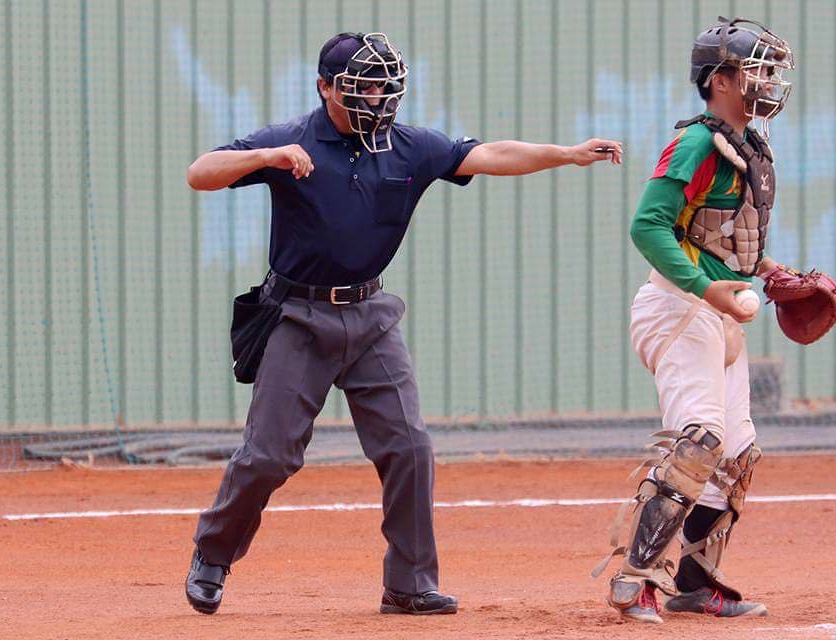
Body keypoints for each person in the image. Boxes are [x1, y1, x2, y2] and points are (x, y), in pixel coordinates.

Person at [185, 31, 623, 616]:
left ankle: (409, 583)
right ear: (325, 88)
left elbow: (488, 155)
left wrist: (566, 153)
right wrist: (266, 158)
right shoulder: (290, 138)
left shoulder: (408, 145)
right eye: (360, 86)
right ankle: (213, 555)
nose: (376, 97)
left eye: (383, 85)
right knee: (270, 455)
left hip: (371, 318)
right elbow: (201, 172)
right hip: (299, 315)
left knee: (410, 447)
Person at [593, 17, 794, 624]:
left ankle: (694, 581)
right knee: (698, 442)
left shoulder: (750, 145)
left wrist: (773, 275)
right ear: (720, 80)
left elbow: (724, 241)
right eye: (751, 69)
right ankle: (634, 582)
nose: (765, 80)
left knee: (736, 455)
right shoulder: (697, 143)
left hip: (717, 310)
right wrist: (708, 288)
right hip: (678, 307)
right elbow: (648, 226)